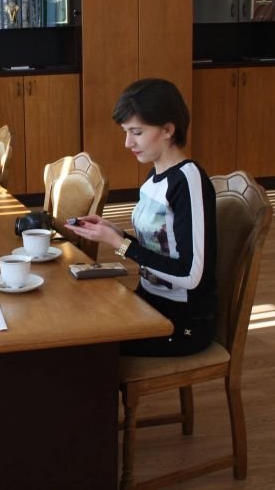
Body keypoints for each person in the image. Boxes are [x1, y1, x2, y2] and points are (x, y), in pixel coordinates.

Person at [66, 78, 217, 356]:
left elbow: (190, 274)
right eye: (126, 132)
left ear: (168, 129)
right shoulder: (153, 178)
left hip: (182, 323)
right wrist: (116, 233)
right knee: (75, 324)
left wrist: (120, 244)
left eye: (136, 132)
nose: (128, 143)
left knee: (83, 346)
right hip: (150, 304)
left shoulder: (187, 180)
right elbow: (159, 249)